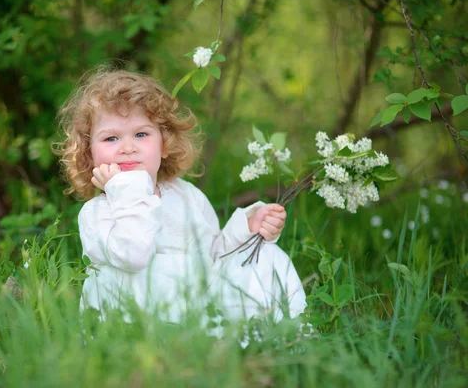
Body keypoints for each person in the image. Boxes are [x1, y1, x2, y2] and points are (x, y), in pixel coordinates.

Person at [57, 68, 306, 324]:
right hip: (137, 323)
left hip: (196, 311)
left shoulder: (186, 196)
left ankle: (287, 333)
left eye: (141, 134)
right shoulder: (97, 213)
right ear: (89, 154)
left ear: (164, 144)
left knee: (267, 255)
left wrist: (247, 226)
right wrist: (127, 189)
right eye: (111, 138)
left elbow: (214, 258)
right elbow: (134, 255)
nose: (128, 147)